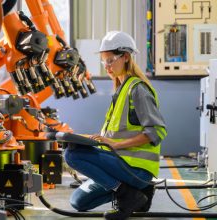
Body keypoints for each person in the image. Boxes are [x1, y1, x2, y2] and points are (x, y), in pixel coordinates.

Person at [64, 31, 167, 220]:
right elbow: (116, 134)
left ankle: (128, 194)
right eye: (104, 62)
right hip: (119, 164)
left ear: (126, 57)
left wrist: (115, 145)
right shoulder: (120, 90)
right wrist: (92, 139)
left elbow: (157, 131)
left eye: (110, 60)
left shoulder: (138, 90)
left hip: (136, 168)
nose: (107, 67)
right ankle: (140, 192)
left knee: (71, 154)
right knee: (78, 202)